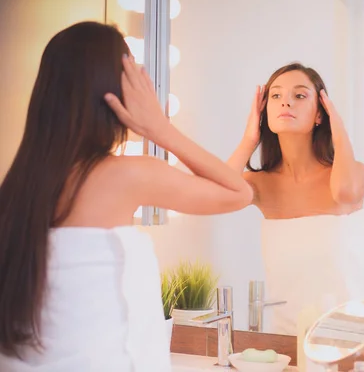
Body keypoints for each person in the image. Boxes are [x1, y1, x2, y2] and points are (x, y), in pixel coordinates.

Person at [0, 21, 252, 371]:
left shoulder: (15, 192)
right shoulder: (126, 175)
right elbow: (238, 193)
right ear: (118, 91)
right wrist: (160, 129)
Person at [228, 63, 364, 334]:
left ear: (320, 114)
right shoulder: (260, 184)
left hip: (356, 342)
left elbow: (345, 193)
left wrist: (339, 127)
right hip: (288, 344)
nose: (285, 101)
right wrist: (249, 137)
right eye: (275, 96)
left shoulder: (351, 174)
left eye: (299, 95)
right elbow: (217, 192)